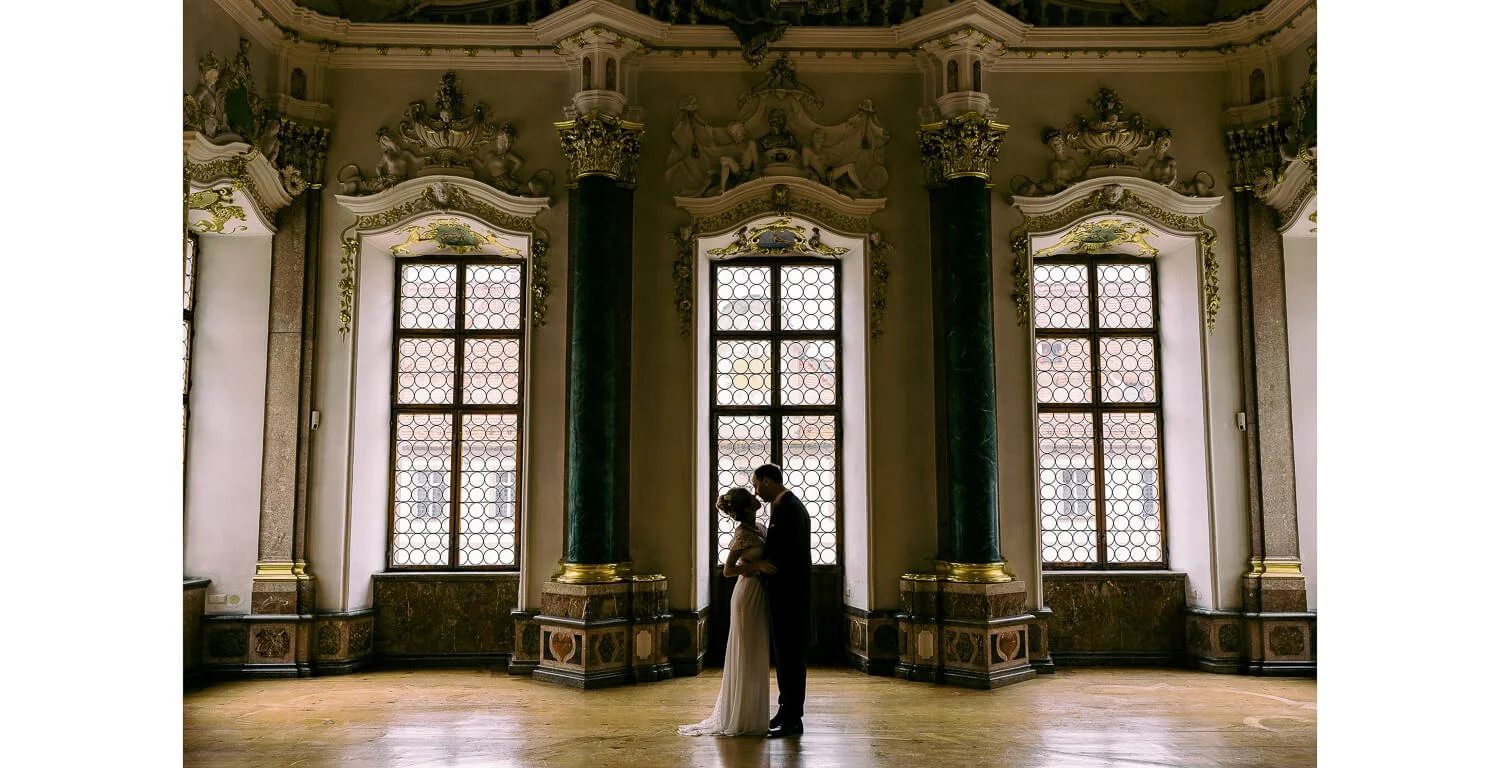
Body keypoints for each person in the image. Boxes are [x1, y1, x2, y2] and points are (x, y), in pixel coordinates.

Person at [678, 488, 772, 737]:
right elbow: (728, 570)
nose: (756, 497)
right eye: (751, 497)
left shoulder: (758, 528)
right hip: (747, 592)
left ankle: (753, 713)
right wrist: (757, 566)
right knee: (747, 651)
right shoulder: (743, 534)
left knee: (757, 651)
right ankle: (741, 716)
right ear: (747, 507)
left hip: (759, 592)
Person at [750, 463, 811, 738]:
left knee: (791, 658)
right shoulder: (784, 507)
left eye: (757, 484)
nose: (756, 491)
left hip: (790, 597)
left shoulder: (790, 509)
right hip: (786, 596)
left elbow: (787, 556)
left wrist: (762, 566)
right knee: (785, 657)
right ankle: (786, 711)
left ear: (767, 481)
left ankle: (793, 719)